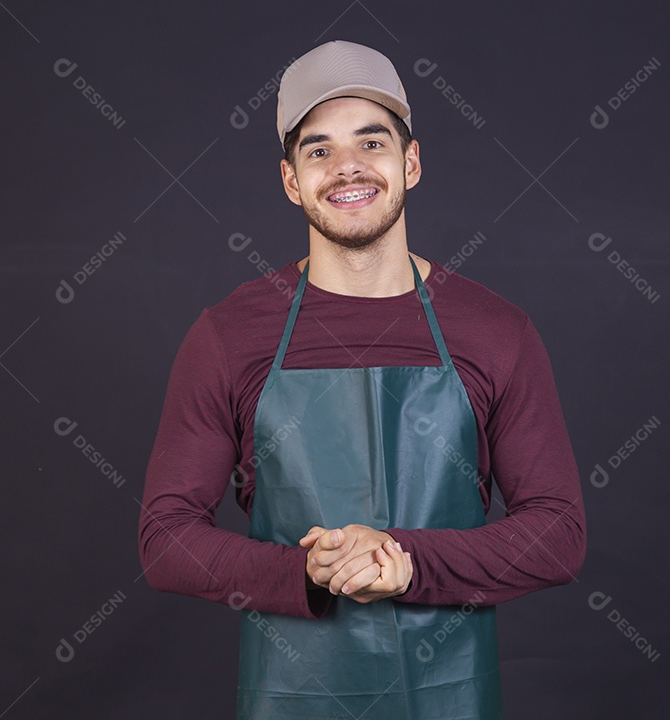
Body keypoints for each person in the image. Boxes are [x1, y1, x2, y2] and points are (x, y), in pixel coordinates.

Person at [139, 39, 586, 719]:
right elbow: (166, 539)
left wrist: (408, 562)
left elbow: (558, 534)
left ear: (409, 162)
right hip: (291, 697)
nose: (347, 168)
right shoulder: (228, 335)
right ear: (292, 180)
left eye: (371, 143)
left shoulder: (497, 331)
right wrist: (306, 572)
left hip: (449, 698)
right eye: (318, 150)